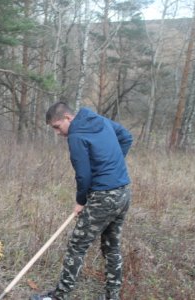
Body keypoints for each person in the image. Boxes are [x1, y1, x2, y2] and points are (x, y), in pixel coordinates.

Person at [31, 102, 132, 300]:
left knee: (76, 246)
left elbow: (83, 174)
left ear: (68, 118)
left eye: (57, 127)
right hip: (123, 192)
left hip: (104, 197)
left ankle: (59, 297)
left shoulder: (76, 136)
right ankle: (113, 296)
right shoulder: (100, 120)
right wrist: (114, 166)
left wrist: (81, 200)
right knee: (111, 246)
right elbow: (126, 137)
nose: (58, 133)